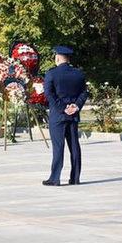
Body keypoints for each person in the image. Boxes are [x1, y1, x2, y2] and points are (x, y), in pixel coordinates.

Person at [43, 46, 88, 186]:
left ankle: (55, 178)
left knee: (58, 146)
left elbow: (49, 94)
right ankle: (75, 178)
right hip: (73, 115)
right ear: (68, 58)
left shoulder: (51, 74)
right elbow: (84, 93)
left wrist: (63, 108)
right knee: (74, 146)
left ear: (57, 58)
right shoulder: (79, 73)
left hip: (58, 115)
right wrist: (75, 106)